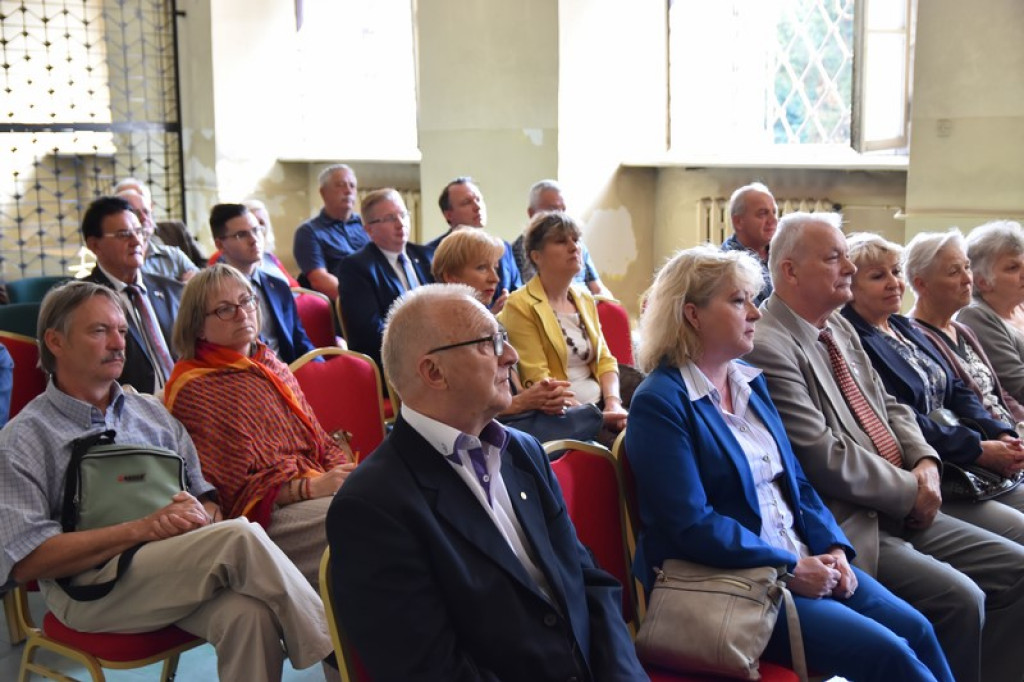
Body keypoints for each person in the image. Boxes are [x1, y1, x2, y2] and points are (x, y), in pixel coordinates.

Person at [627, 246, 951, 681]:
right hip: (738, 582)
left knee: (919, 630)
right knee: (890, 654)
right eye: (738, 301)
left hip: (803, 559)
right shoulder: (661, 401)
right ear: (692, 315)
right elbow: (690, 523)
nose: (756, 313)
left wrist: (833, 548)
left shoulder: (748, 382)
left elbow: (797, 483)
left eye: (752, 299)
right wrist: (788, 567)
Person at [0, 280, 333, 681]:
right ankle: (338, 653)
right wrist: (142, 529)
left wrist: (200, 515)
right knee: (238, 536)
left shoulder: (150, 413)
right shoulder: (25, 437)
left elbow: (206, 497)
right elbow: (27, 561)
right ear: (55, 341)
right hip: (88, 589)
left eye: (122, 330)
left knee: (250, 615)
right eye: (99, 331)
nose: (118, 343)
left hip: (170, 566)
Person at [745, 211, 1024, 682]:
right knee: (961, 598)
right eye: (835, 259)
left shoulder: (836, 326)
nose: (849, 268)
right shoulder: (769, 344)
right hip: (854, 520)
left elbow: (890, 404)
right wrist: (911, 490)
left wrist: (925, 462)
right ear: (790, 271)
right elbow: (822, 454)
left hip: (906, 496)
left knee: (1017, 568)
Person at [326, 284, 646, 680]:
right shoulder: (373, 505)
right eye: (489, 343)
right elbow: (429, 671)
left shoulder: (523, 451)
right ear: (433, 372)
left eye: (504, 339)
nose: (510, 356)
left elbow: (588, 582)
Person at [164, 264, 354, 587]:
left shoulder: (269, 362)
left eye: (246, 301)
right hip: (266, 516)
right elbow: (232, 488)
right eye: (225, 309)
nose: (242, 314)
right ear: (198, 327)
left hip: (314, 484)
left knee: (384, 498)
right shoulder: (195, 387)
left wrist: (342, 474)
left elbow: (318, 438)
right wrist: (310, 488)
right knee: (359, 518)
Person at [840, 232, 1024, 529]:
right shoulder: (853, 340)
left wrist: (1000, 434)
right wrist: (978, 448)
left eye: (895, 272)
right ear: (850, 286)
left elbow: (957, 389)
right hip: (939, 469)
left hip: (973, 456)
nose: (893, 282)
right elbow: (899, 416)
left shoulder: (903, 326)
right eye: (877, 276)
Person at [432, 229, 601, 444]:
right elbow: (457, 409)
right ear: (451, 277)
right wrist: (523, 402)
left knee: (588, 425)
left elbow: (516, 391)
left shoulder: (493, 325)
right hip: (479, 434)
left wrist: (542, 396)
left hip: (515, 420)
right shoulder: (443, 333)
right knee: (590, 422)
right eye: (482, 268)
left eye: (495, 268)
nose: (494, 278)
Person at [499, 211, 627, 439]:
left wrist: (613, 403)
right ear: (536, 256)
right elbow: (540, 379)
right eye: (560, 241)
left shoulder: (584, 298)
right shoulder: (520, 305)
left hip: (602, 405)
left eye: (576, 239)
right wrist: (595, 417)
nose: (573, 247)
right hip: (564, 415)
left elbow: (605, 360)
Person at [903, 228, 1024, 423]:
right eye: (954, 272)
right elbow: (955, 407)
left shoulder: (962, 330)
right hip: (984, 436)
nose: (968, 279)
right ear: (921, 284)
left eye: (967, 267)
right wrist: (1004, 434)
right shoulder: (914, 337)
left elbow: (999, 393)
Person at [81, 196, 183, 393]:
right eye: (123, 234)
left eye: (139, 232)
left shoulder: (173, 291)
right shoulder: (83, 301)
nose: (136, 241)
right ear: (95, 245)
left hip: (186, 401)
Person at [336, 188, 432, 373]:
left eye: (403, 215)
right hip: (394, 362)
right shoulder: (357, 267)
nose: (400, 223)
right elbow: (370, 331)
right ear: (369, 229)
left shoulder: (426, 256)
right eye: (390, 218)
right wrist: (423, 344)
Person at [209, 203, 316, 364]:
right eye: (241, 235)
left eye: (256, 230)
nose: (254, 240)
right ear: (220, 245)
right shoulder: (212, 293)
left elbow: (300, 341)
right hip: (243, 374)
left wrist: (320, 368)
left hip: (289, 372)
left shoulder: (278, 286)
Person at [957, 220, 1024, 404]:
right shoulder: (975, 315)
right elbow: (1018, 385)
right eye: (1013, 268)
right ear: (982, 282)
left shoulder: (1020, 306)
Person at [427, 176, 522, 305]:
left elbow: (517, 291)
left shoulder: (503, 248)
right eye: (467, 202)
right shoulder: (431, 253)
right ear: (448, 214)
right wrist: (490, 314)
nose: (477, 206)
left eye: (478, 199)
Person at [512, 179, 613, 297]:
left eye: (563, 209)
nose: (560, 215)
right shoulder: (518, 250)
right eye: (553, 210)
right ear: (531, 213)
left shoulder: (577, 245)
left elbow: (598, 288)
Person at [293, 164, 368, 299]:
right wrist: (361, 300)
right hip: (344, 301)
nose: (348, 191)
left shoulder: (368, 224)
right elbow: (320, 280)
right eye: (340, 185)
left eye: (352, 186)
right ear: (323, 192)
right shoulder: (309, 232)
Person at [113, 177, 208, 268]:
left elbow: (203, 265)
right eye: (130, 204)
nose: (143, 217)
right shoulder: (117, 251)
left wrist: (194, 276)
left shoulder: (175, 235)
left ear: (150, 206)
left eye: (141, 198)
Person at [116, 189, 198, 283]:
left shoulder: (173, 256)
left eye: (146, 212)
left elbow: (201, 282)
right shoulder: (118, 261)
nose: (144, 218)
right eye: (136, 213)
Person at [721, 182, 778, 305]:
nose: (773, 220)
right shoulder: (727, 267)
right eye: (762, 213)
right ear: (738, 221)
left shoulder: (781, 253)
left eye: (774, 213)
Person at [242, 198, 299, 286]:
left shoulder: (269, 258)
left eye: (261, 223)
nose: (258, 230)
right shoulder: (225, 259)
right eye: (253, 224)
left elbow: (293, 285)